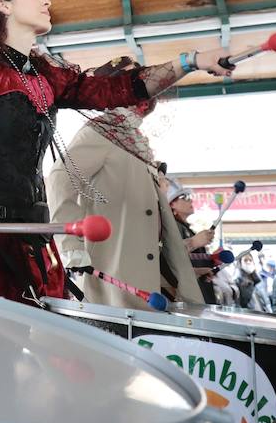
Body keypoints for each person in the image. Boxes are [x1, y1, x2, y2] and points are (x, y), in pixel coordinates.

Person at [0, 0, 230, 304]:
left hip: (34, 240)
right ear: (3, 5)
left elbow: (115, 90)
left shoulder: (44, 75)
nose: (46, 0)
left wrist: (192, 61)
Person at [47, 59, 204, 309]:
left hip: (149, 283)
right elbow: (59, 177)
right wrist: (70, 244)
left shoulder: (132, 140)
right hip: (118, 282)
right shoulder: (101, 131)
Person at [167, 181, 219, 304]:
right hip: (187, 297)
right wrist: (194, 242)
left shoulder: (184, 228)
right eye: (184, 197)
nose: (190, 201)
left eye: (190, 197)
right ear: (172, 204)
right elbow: (171, 257)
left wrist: (211, 259)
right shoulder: (173, 227)